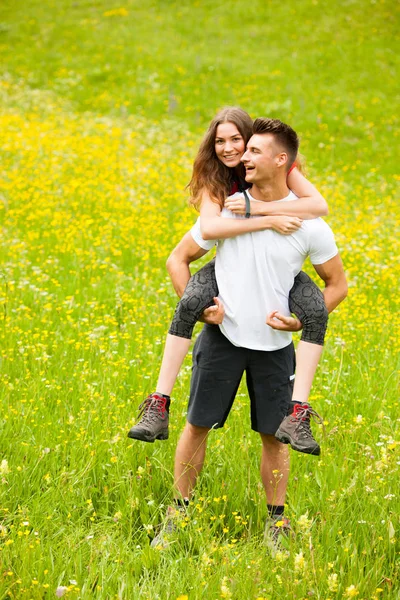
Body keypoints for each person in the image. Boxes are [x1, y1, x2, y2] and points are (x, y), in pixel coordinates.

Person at [151, 117, 347, 548]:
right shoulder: (229, 207)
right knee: (196, 426)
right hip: (223, 339)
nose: (242, 156)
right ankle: (176, 517)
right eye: (243, 149)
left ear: (282, 162)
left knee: (275, 439)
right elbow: (180, 257)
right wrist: (203, 311)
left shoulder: (309, 225)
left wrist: (299, 323)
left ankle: (276, 525)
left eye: (253, 150)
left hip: (275, 348)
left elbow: (338, 284)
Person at [128, 108, 330, 454]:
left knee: (315, 311)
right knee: (191, 300)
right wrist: (265, 220)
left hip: (281, 270)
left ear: (252, 141)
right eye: (220, 141)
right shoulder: (216, 179)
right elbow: (209, 229)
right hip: (228, 261)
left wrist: (264, 210)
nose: (230, 148)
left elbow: (319, 205)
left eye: (237, 139)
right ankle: (159, 401)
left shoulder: (279, 167)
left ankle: (299, 412)